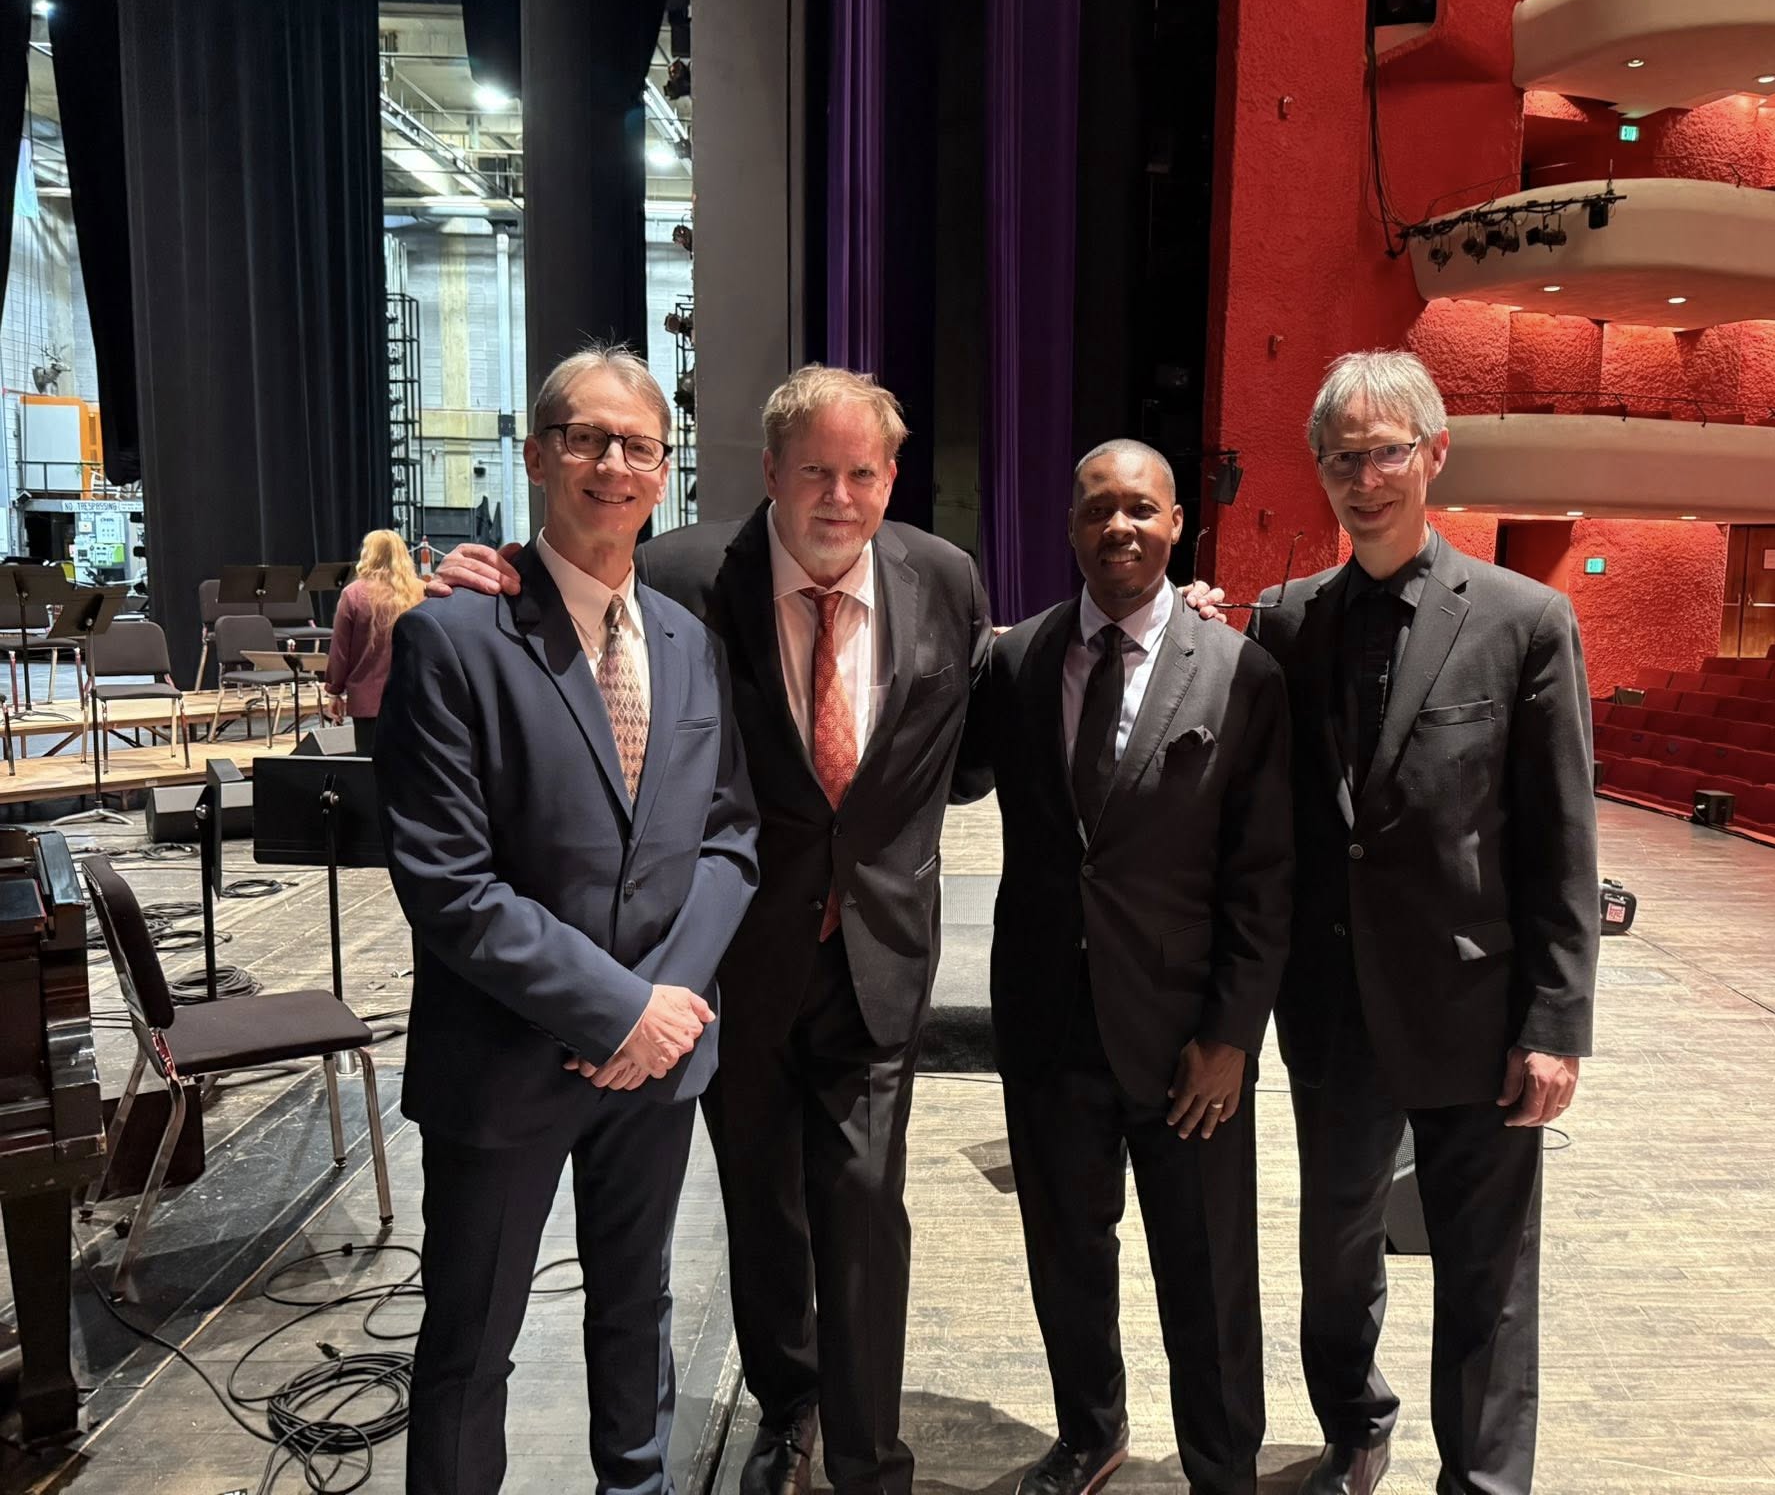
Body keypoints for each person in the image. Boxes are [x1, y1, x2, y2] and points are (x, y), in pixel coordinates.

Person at [430, 364, 992, 1495]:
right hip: (729, 967)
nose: (839, 496)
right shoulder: (684, 575)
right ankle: (789, 1408)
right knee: (759, 1205)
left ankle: (868, 1458)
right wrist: (477, 575)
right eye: (816, 471)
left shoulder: (944, 578)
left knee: (862, 1209)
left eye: (863, 473)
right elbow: (570, 596)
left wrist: (1160, 619)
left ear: (891, 478)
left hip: (867, 959)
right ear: (769, 472)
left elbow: (974, 747)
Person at [1198, 349, 1597, 1495]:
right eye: (1340, 459)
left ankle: (1480, 1482)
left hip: (1477, 1008)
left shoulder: (1524, 619)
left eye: (1383, 453)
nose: (1362, 480)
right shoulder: (1283, 622)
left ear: (1433, 455)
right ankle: (1354, 1427)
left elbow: (1560, 839)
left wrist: (1555, 1023)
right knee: (1334, 1256)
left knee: (1485, 1273)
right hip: (1330, 1009)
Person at [377, 344, 760, 1495]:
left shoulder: (689, 643)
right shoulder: (450, 637)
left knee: (638, 1310)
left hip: (656, 1065)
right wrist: (615, 1011)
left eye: (637, 446)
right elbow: (448, 883)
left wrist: (665, 1006)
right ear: (539, 457)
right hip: (504, 1057)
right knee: (470, 1346)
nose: (612, 464)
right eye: (585, 438)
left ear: (663, 472)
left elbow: (729, 837)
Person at [951, 441, 1291, 1495]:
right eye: (1097, 508)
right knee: (1065, 1255)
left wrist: (1231, 1036)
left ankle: (1222, 1468)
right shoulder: (1018, 661)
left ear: (1176, 522)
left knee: (1207, 1268)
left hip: (1186, 1036)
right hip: (1049, 1023)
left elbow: (1264, 875)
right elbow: (950, 768)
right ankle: (1088, 1433)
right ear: (1069, 525)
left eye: (1140, 508)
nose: (1119, 528)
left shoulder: (1238, 672)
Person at [322, 527, 421, 752]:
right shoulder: (421, 592)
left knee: (370, 768)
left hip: (368, 702)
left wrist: (334, 691)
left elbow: (340, 651)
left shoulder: (353, 594)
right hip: (415, 699)